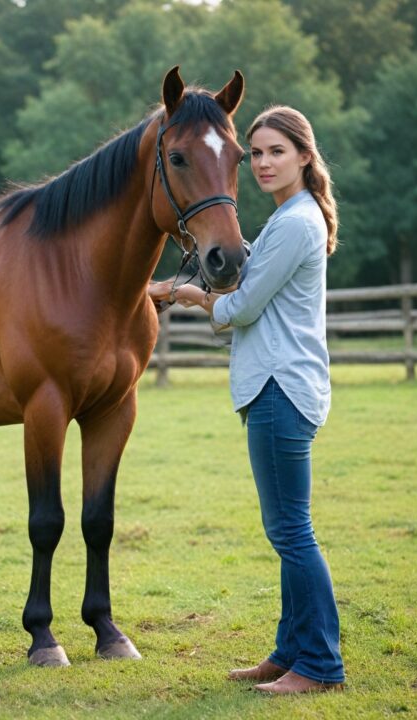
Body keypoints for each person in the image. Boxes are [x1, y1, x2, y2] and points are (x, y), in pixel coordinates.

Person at [149, 105, 345, 694]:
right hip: (277, 385)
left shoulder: (296, 222)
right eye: (255, 153)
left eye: (276, 152)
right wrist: (183, 289)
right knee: (287, 528)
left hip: (280, 387)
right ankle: (291, 651)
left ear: (305, 157)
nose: (262, 162)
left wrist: (185, 294)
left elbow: (241, 307)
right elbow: (246, 283)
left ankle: (319, 665)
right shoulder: (291, 217)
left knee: (291, 531)